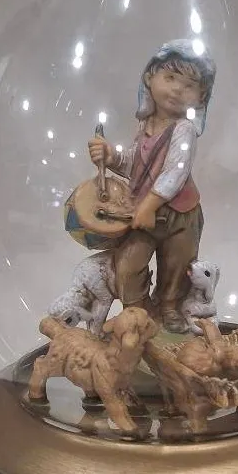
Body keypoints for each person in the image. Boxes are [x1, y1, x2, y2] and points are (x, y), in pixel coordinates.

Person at [88, 40, 215, 333]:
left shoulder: (184, 130)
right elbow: (136, 165)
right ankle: (138, 310)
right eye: (170, 78)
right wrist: (111, 157)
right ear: (149, 77)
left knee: (177, 266)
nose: (177, 89)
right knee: (128, 265)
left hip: (180, 215)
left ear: (201, 96)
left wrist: (148, 205)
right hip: (144, 212)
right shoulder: (145, 126)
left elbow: (175, 173)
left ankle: (170, 307)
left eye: (189, 85)